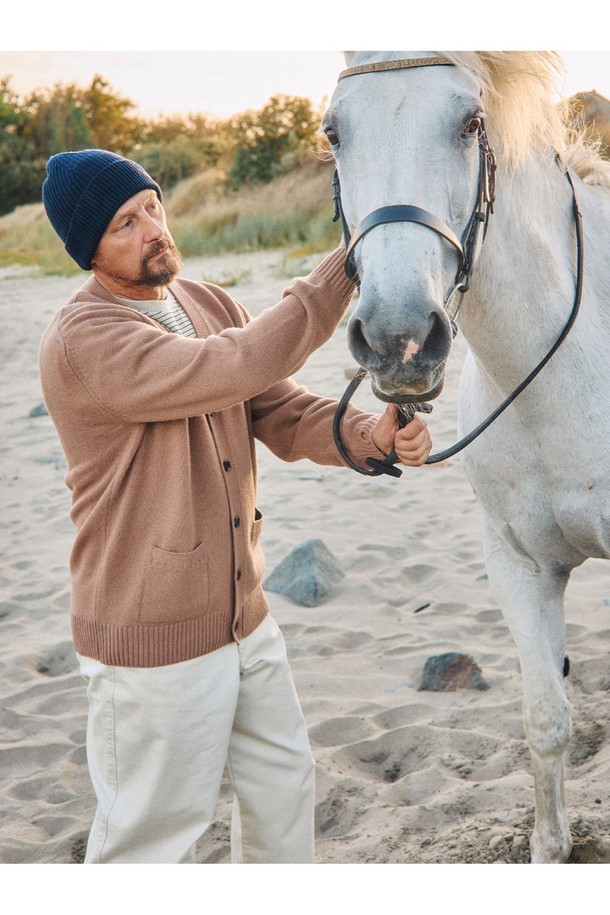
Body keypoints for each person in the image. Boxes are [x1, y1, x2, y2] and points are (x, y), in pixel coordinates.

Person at [39, 149, 432, 865]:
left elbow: (275, 408)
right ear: (88, 250)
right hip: (152, 635)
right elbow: (235, 365)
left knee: (285, 791)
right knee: (152, 839)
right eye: (124, 224)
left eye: (152, 206)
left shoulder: (209, 303)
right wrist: (349, 263)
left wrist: (368, 434)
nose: (152, 228)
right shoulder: (83, 339)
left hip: (245, 616)